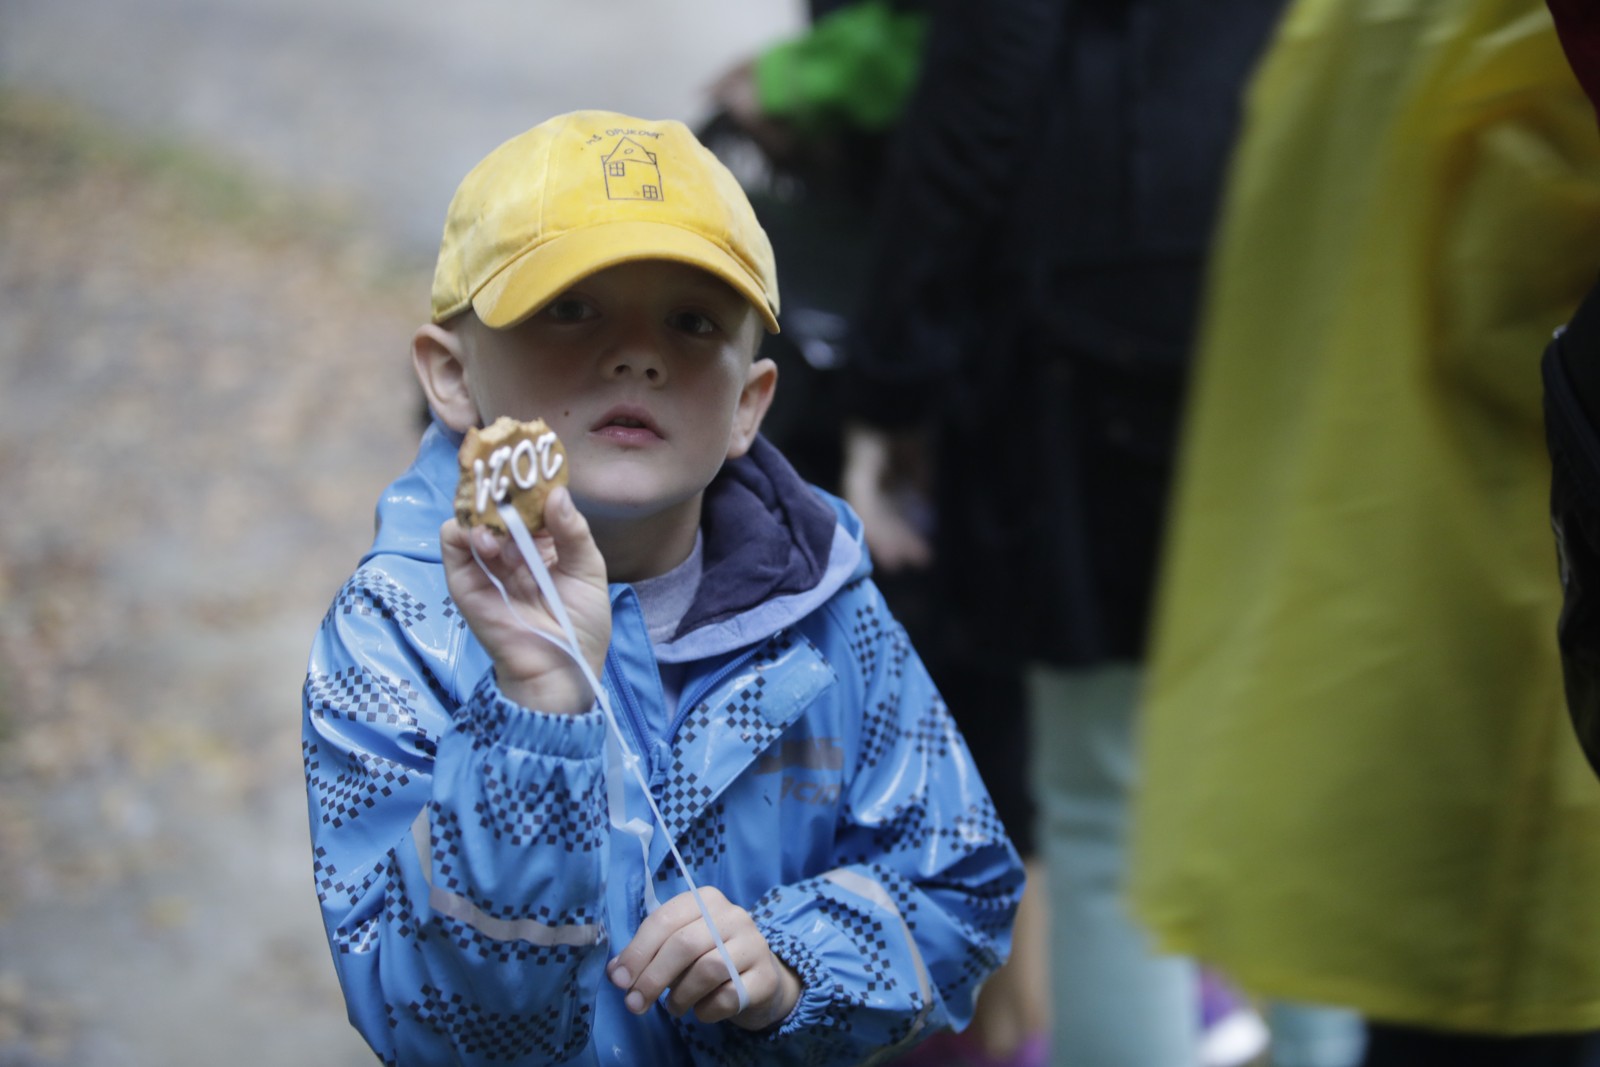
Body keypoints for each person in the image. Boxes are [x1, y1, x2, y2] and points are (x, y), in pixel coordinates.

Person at [300, 109, 1024, 1065]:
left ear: (749, 405)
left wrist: (795, 962)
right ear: (451, 375)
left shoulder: (828, 610)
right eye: (571, 308)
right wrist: (535, 714)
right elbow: (447, 1032)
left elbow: (962, 888)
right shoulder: (398, 631)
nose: (637, 355)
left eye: (692, 322)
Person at [832, 1, 1360, 1066]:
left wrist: (891, 376)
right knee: (1301, 781)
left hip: (1104, 310)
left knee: (1106, 801)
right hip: (1318, 282)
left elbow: (988, 71)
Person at [1126, 1, 1600, 1064]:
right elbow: (1515, 269)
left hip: (1397, 604)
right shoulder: (1512, 34)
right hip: (1516, 617)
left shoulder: (1356, 19)